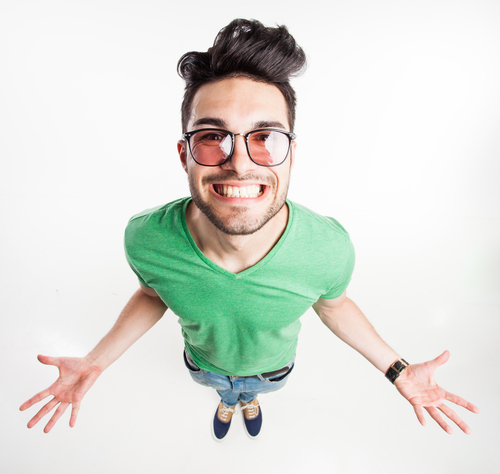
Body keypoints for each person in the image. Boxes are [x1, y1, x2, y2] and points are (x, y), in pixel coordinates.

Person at [20, 19, 479, 441]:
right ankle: (226, 401)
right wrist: (96, 361)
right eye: (211, 137)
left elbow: (335, 306)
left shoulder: (328, 246)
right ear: (185, 155)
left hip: (274, 369)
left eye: (265, 138)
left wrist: (397, 370)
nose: (239, 164)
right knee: (222, 389)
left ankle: (250, 397)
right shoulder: (146, 238)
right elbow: (151, 294)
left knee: (253, 389)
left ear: (291, 155)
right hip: (203, 365)